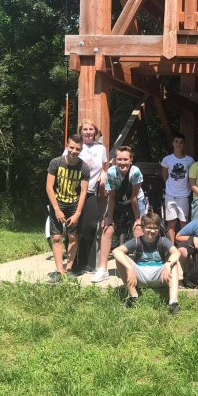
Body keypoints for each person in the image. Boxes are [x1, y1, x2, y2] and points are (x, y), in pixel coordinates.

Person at [111, 212, 182, 313]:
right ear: (143, 228)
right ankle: (133, 296)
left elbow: (176, 252)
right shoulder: (137, 241)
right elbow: (115, 251)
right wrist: (130, 268)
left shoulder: (163, 240)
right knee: (121, 259)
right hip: (140, 274)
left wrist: (168, 263)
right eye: (149, 227)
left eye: (155, 228)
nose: (152, 231)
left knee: (173, 263)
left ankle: (173, 303)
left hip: (159, 275)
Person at [64, 119, 108, 275]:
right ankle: (72, 263)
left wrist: (103, 173)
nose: (88, 132)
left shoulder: (101, 149)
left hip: (90, 192)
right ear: (81, 131)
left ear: (95, 132)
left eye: (91, 129)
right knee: (73, 228)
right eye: (85, 129)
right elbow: (64, 163)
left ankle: (86, 263)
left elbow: (103, 167)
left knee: (89, 227)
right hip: (72, 192)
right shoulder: (75, 146)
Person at [96, 146, 146, 283]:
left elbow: (135, 197)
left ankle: (141, 266)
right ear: (115, 160)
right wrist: (109, 218)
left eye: (125, 159)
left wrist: (137, 219)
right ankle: (103, 269)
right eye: (119, 159)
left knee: (138, 229)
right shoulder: (111, 173)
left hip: (134, 201)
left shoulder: (135, 173)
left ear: (131, 160)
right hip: (117, 200)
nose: (122, 162)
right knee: (107, 229)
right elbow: (111, 197)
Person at [46, 134, 90, 282]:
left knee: (73, 237)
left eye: (77, 149)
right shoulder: (56, 163)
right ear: (67, 146)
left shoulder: (84, 167)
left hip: (74, 204)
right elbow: (49, 187)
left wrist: (78, 213)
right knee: (57, 237)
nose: (74, 151)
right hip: (58, 203)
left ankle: (69, 268)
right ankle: (59, 272)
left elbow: (84, 192)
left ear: (81, 149)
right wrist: (57, 209)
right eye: (71, 147)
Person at [161, 133, 195, 242]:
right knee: (171, 222)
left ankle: (184, 248)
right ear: (173, 144)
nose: (178, 144)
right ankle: (170, 247)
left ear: (184, 144)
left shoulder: (190, 160)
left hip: (184, 195)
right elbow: (165, 177)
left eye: (181, 142)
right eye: (176, 142)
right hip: (170, 194)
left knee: (183, 222)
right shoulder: (167, 159)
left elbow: (191, 177)